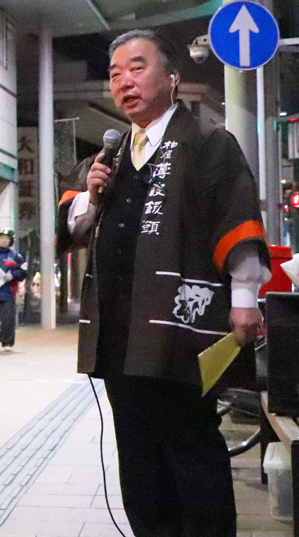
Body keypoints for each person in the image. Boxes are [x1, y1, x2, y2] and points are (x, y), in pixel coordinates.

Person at [57, 30, 269, 536]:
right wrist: (90, 197)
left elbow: (235, 217)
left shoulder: (208, 145)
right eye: (114, 74)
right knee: (136, 449)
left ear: (173, 77)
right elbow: (69, 226)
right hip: (117, 332)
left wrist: (244, 301)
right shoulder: (104, 160)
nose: (123, 82)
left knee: (190, 444)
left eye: (137, 67)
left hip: (181, 329)